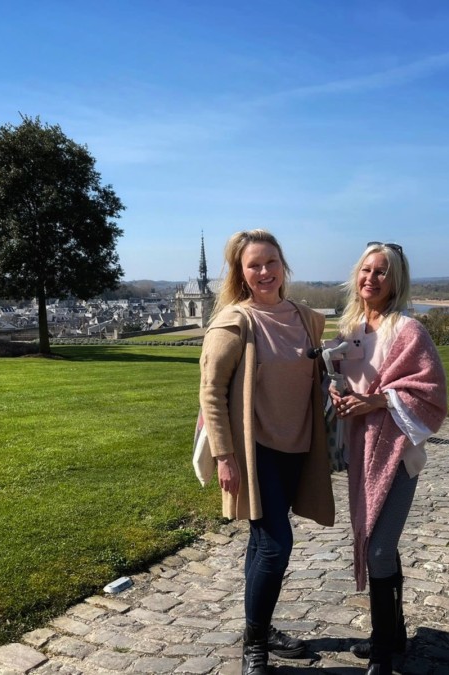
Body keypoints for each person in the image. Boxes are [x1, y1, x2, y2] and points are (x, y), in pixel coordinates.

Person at [199, 229, 335, 674]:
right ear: (241, 273)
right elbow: (212, 392)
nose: (264, 271)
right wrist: (224, 456)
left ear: (283, 265)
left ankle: (260, 624)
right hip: (256, 452)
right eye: (253, 265)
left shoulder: (305, 318)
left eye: (270, 262)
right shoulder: (235, 322)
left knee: (262, 542)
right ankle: (255, 643)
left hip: (298, 444)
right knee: (277, 545)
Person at [329, 242, 448, 675]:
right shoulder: (351, 330)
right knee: (378, 543)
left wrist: (377, 402)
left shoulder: (408, 331)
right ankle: (393, 633)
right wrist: (339, 393)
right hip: (362, 451)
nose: (371, 279)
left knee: (379, 547)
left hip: (397, 452)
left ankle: (382, 652)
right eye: (366, 270)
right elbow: (345, 382)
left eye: (381, 272)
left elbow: (431, 394)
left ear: (395, 280)